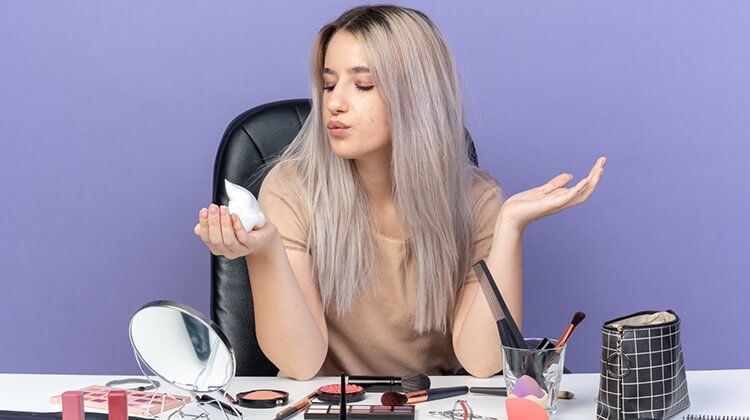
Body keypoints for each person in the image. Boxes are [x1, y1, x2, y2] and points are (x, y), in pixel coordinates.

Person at [194, 5, 605, 380]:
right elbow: (300, 363)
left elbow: (483, 362)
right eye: (329, 84)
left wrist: (509, 227)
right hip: (328, 402)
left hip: (432, 404)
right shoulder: (291, 187)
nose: (334, 103)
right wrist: (266, 253)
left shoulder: (477, 199)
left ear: (417, 96)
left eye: (364, 85)